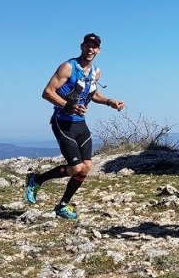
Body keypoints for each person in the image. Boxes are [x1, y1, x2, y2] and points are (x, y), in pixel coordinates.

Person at [24, 33, 126, 220]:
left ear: (99, 50)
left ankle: (62, 206)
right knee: (76, 167)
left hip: (80, 125)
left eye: (94, 47)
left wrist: (109, 101)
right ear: (82, 46)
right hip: (62, 123)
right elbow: (47, 92)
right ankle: (36, 180)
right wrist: (69, 106)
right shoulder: (68, 67)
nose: (90, 49)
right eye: (88, 45)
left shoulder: (96, 71)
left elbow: (93, 95)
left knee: (86, 167)